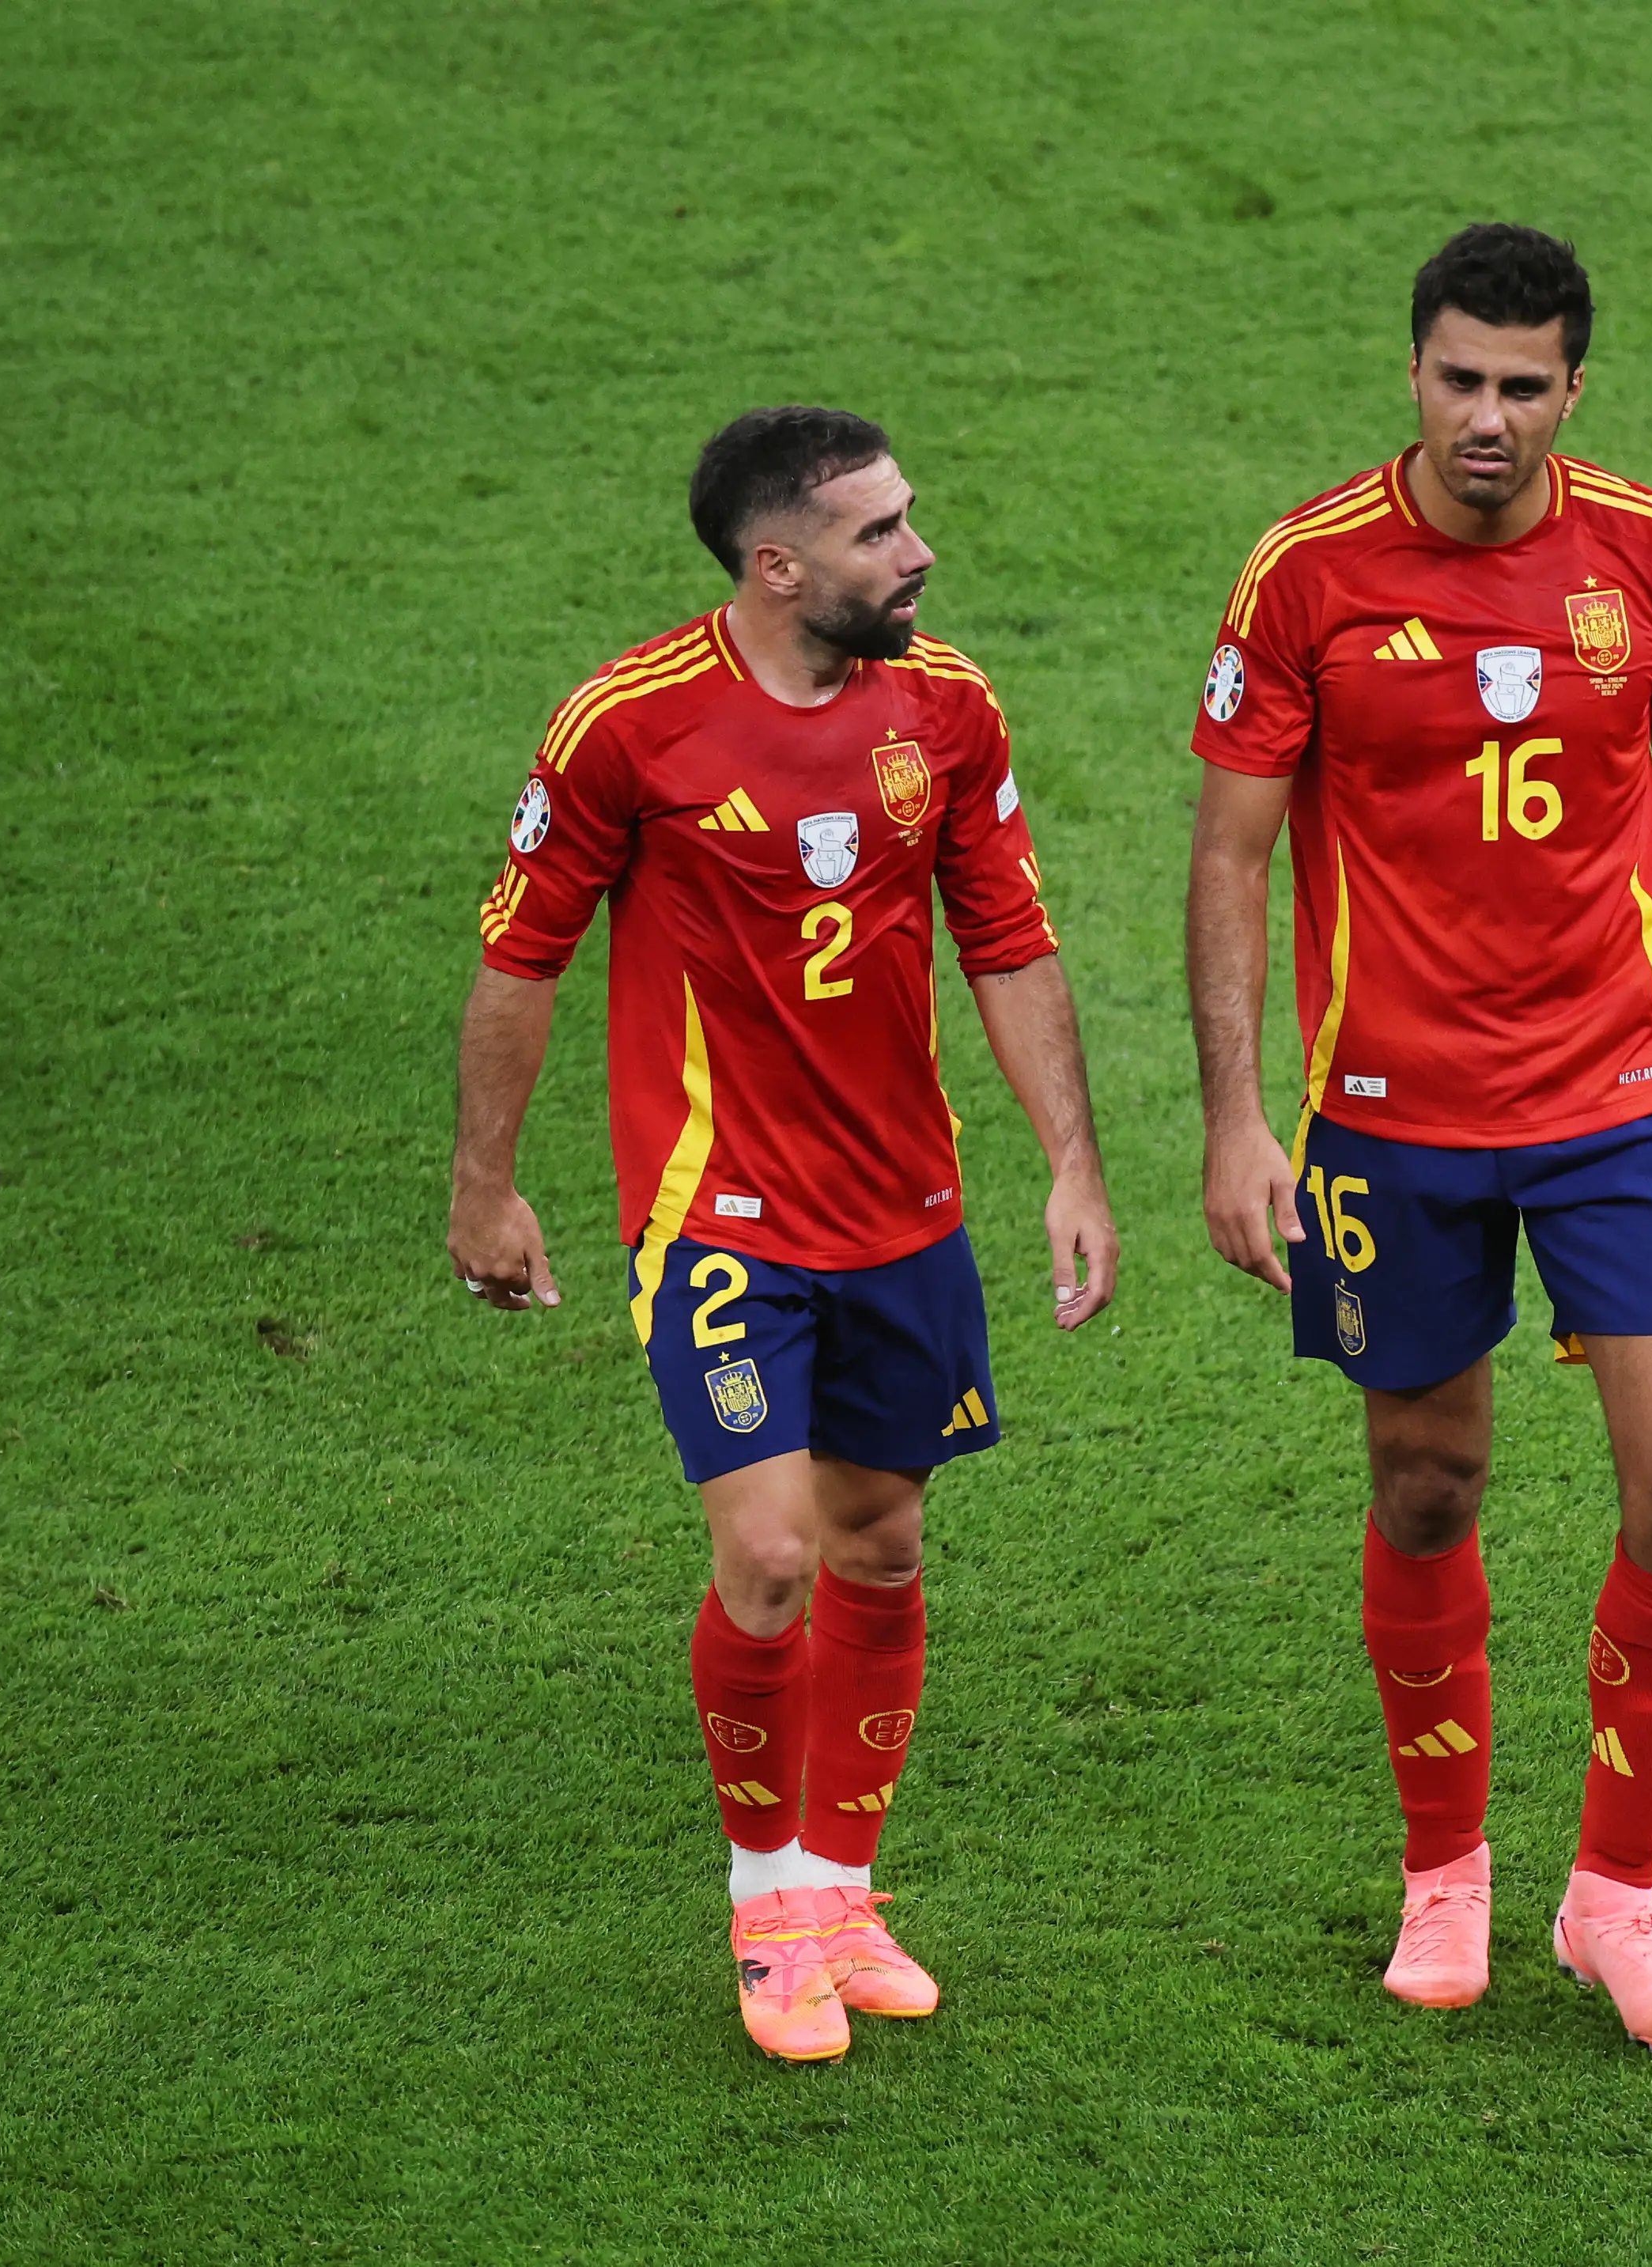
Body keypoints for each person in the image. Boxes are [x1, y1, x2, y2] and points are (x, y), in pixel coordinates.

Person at [446, 406, 1117, 2065]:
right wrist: (486, 1177)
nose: (921, 552)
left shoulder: (945, 707)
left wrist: (1071, 1166)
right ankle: (765, 1903)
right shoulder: (631, 725)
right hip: (718, 1214)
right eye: (884, 531)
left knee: (882, 1540)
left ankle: (842, 1887)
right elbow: (522, 956)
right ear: (779, 562)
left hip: (904, 1213)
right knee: (768, 1552)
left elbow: (1010, 936)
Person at [1185, 225, 1652, 2054]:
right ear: (1413, 371)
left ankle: (1616, 1901)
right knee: (1428, 1483)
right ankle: (1450, 1871)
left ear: (1575, 387)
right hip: (1390, 1115)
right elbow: (1232, 851)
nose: (1489, 415)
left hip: (1618, 1100)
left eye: (1525, 384)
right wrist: (1234, 1116)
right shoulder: (1309, 573)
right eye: (1460, 378)